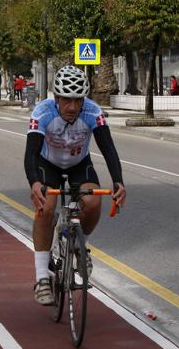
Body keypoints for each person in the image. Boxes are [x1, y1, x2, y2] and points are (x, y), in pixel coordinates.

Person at [24, 65, 126, 305]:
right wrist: (34, 182)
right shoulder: (42, 112)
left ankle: (80, 248)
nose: (72, 107)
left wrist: (118, 181)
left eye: (77, 100)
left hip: (79, 163)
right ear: (56, 98)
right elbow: (30, 154)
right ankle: (41, 278)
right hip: (47, 163)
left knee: (92, 202)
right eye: (66, 100)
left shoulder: (92, 112)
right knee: (45, 208)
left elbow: (108, 148)